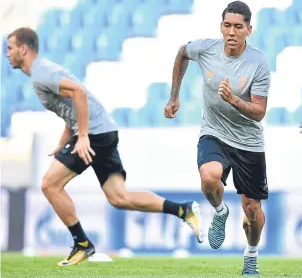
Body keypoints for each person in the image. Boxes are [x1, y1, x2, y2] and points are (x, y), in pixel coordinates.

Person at [6, 27, 203, 267]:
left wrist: (84, 136)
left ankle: (82, 244)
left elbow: (78, 94)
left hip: (96, 133)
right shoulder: (41, 73)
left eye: (10, 48)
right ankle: (183, 210)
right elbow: (71, 109)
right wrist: (63, 142)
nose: (7, 54)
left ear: (23, 49)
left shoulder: (41, 73)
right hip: (103, 130)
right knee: (120, 197)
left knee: (49, 184)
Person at [164, 0, 270, 276]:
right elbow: (181, 53)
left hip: (249, 142)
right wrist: (174, 96)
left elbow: (259, 112)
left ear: (249, 29)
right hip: (214, 132)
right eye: (227, 26)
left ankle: (251, 254)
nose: (231, 32)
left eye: (238, 26)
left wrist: (233, 99)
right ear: (220, 27)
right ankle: (220, 212)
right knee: (209, 177)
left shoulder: (258, 63)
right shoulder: (207, 48)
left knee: (252, 211)